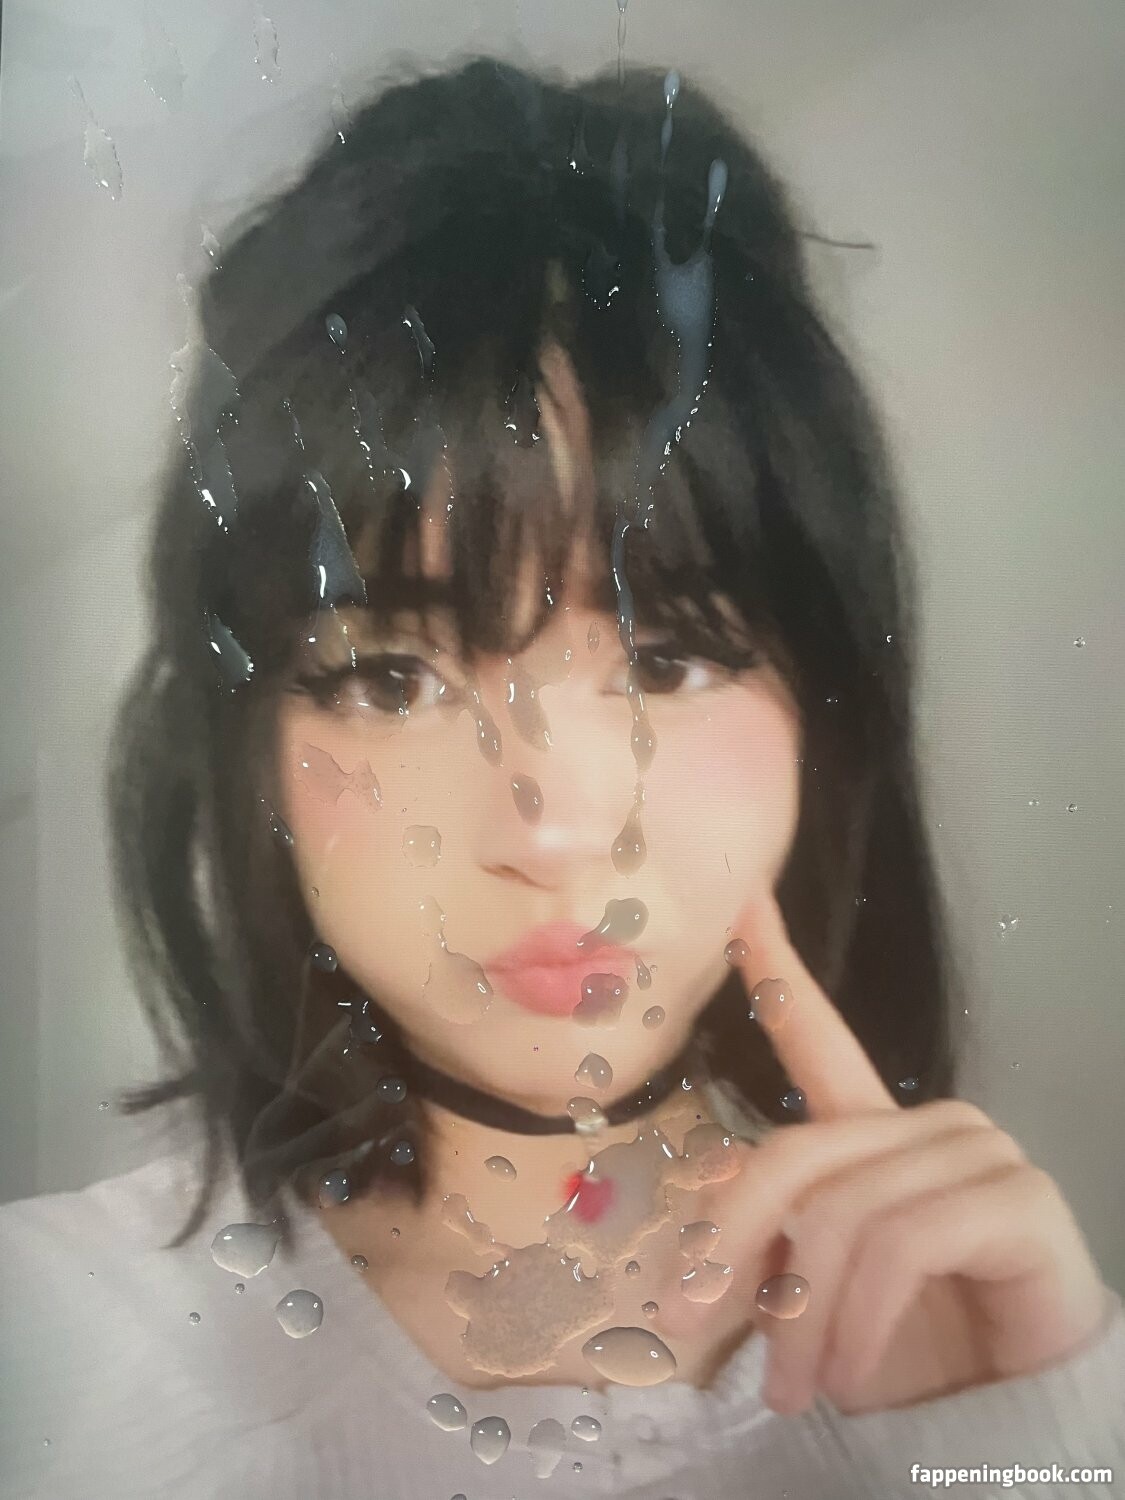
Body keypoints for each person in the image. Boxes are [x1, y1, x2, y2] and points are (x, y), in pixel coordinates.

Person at [1, 54, 1121, 1500]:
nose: (557, 828)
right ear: (248, 749)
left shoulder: (1034, 1357)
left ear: (828, 722)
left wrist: (1017, 1445)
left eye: (673, 658)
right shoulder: (53, 1344)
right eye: (392, 680)